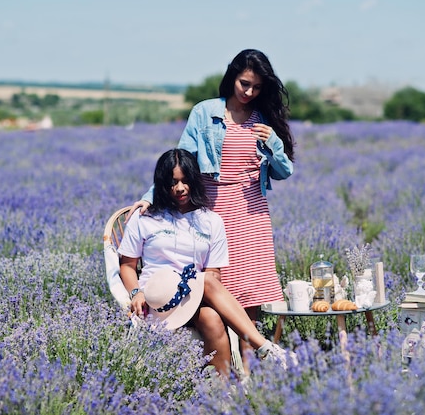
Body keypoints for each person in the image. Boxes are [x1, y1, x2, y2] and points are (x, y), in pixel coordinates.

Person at [129, 49, 295, 371]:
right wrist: (152, 196)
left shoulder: (264, 120)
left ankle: (249, 371)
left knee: (250, 294)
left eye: (257, 87)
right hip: (215, 209)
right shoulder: (205, 113)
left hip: (252, 212)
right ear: (232, 77)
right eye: (244, 83)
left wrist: (274, 145)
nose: (248, 92)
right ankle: (222, 364)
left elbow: (283, 171)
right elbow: (183, 158)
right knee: (216, 289)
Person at [118, 148, 294, 377]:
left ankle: (220, 395)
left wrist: (200, 285)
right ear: (161, 185)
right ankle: (265, 347)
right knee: (208, 283)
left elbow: (213, 273)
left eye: (185, 181)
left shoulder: (211, 221)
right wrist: (135, 293)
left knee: (211, 315)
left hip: (191, 300)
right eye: (172, 183)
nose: (180, 188)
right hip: (156, 301)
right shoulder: (146, 218)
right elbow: (127, 265)